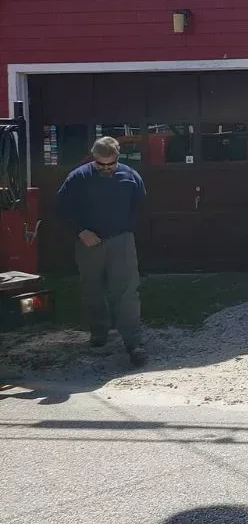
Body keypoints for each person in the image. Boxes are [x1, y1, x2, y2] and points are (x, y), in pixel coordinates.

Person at [56, 136, 148, 367]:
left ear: (118, 157)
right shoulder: (78, 177)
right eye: (100, 164)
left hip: (121, 239)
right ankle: (99, 332)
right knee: (92, 288)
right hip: (89, 240)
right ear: (93, 157)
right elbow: (62, 207)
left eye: (110, 164)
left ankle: (133, 343)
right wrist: (81, 231)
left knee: (127, 290)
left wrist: (127, 231)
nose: (105, 168)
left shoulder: (130, 176)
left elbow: (140, 205)